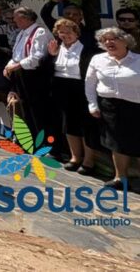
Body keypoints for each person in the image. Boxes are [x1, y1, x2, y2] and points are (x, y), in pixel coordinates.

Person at [85, 27, 140, 190]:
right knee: (116, 143)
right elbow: (90, 84)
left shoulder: (138, 60)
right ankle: (120, 178)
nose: (109, 42)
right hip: (109, 107)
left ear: (126, 40)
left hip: (136, 106)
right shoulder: (97, 59)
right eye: (105, 40)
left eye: (113, 38)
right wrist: (92, 104)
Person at [48, 19, 102, 173]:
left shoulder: (87, 49)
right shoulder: (57, 48)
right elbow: (48, 69)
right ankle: (75, 157)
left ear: (76, 33)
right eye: (61, 32)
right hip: (62, 88)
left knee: (86, 126)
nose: (65, 35)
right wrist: (52, 56)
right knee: (68, 124)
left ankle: (89, 160)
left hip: (81, 88)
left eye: (68, 32)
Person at [4, 7, 54, 139]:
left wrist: (16, 66)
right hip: (22, 75)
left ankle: (45, 143)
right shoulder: (22, 33)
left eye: (15, 17)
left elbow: (37, 58)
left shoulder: (40, 32)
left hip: (35, 77)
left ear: (25, 18)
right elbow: (16, 55)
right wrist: (8, 66)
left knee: (37, 111)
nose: (14, 20)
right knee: (25, 109)